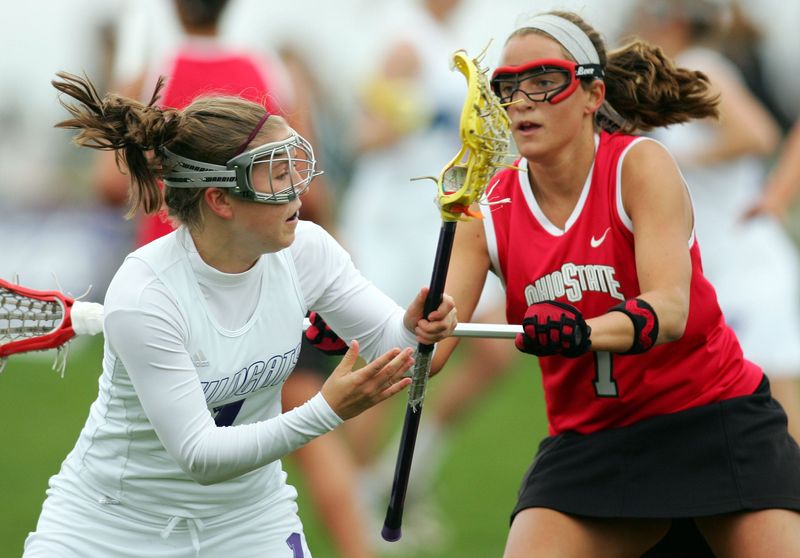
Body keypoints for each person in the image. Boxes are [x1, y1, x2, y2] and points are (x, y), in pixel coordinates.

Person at [23, 72, 457, 558]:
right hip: (108, 528)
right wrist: (327, 410)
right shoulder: (146, 290)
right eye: (275, 173)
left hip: (248, 523)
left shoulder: (307, 251)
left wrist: (420, 332)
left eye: (295, 168)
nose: (298, 191)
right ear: (220, 199)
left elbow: (409, 353)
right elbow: (199, 456)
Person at [430, 10, 800, 557]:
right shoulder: (486, 207)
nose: (522, 100)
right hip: (593, 441)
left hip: (713, 421)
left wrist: (580, 332)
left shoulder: (639, 165)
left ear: (590, 94)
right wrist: (359, 329)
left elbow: (669, 310)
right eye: (508, 86)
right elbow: (434, 346)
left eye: (544, 81)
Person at [336, 0, 518, 548]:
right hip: (394, 228)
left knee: (491, 349)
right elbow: (363, 137)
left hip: (443, 226)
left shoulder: (459, 35)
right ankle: (360, 499)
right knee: (388, 364)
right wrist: (415, 116)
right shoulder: (404, 38)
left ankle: (404, 476)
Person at [628, 0, 800, 442]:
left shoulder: (698, 67)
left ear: (675, 22)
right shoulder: (668, 79)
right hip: (718, 267)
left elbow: (757, 134)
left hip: (746, 261)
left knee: (772, 404)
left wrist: (678, 159)